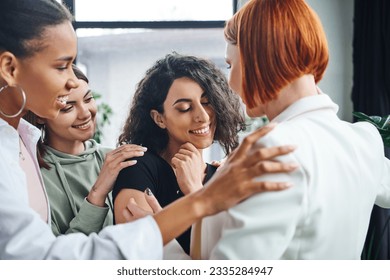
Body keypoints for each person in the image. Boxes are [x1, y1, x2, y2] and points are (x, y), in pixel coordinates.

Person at [0, 0, 296, 259]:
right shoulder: (134, 166)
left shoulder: (21, 143)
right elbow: (46, 262)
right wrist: (201, 201)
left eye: (207, 102)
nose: (74, 81)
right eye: (62, 66)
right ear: (10, 69)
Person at [191, 0, 390, 259]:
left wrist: (164, 245)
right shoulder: (364, 140)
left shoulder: (273, 150)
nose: (230, 82)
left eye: (230, 65)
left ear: (259, 58)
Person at [112, 52, 262, 255]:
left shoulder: (223, 176)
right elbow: (137, 254)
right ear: (159, 119)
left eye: (207, 102)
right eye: (184, 108)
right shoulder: (138, 168)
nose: (202, 116)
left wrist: (194, 190)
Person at [24, 64, 147, 236]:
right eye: (68, 107)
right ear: (40, 115)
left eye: (88, 99)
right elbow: (55, 258)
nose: (85, 113)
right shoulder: (32, 177)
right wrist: (97, 194)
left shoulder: (116, 159)